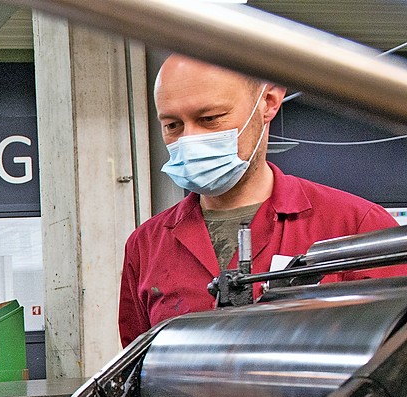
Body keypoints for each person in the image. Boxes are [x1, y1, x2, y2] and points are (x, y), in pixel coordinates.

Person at [119, 55, 407, 346]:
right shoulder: (146, 246)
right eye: (173, 126)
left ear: (268, 102)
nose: (189, 140)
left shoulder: (357, 227)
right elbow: (135, 370)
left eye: (210, 119)